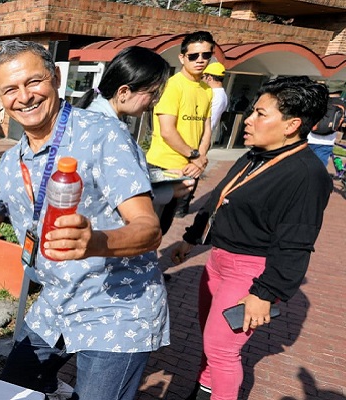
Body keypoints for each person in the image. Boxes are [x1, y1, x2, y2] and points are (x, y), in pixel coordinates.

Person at [0, 40, 169, 400]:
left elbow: (149, 230)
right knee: (10, 390)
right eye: (10, 89)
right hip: (56, 302)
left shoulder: (102, 135)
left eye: (33, 82)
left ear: (55, 78)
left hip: (116, 307)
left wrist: (97, 242)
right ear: (0, 98)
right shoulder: (12, 164)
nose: (24, 96)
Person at [170, 76, 332, 400]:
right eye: (253, 111)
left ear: (292, 125)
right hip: (218, 262)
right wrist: (192, 238)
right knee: (210, 341)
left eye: (261, 113)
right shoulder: (255, 154)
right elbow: (221, 196)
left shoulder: (306, 174)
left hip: (249, 272)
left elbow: (295, 244)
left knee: (222, 350)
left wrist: (266, 293)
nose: (249, 119)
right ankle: (203, 391)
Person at [76, 46, 194, 218]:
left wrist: (160, 175)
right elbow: (123, 194)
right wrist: (170, 191)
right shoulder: (112, 132)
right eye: (152, 93)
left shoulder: (89, 114)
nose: (155, 101)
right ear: (124, 92)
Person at [146, 31, 215, 225]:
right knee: (149, 226)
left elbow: (206, 128)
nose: (200, 60)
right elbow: (167, 131)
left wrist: (199, 161)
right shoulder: (171, 86)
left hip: (190, 168)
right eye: (193, 56)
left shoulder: (207, 89)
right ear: (182, 57)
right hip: (163, 166)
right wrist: (196, 156)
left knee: (166, 225)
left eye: (206, 55)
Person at [307, 88, 345, 167]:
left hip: (309, 139)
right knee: (319, 169)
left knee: (303, 167)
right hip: (327, 142)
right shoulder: (342, 104)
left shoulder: (315, 100)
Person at [202, 62, 229, 144]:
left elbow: (210, 122)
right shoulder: (216, 93)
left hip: (201, 138)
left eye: (203, 77)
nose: (201, 79)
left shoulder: (218, 96)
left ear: (209, 78)